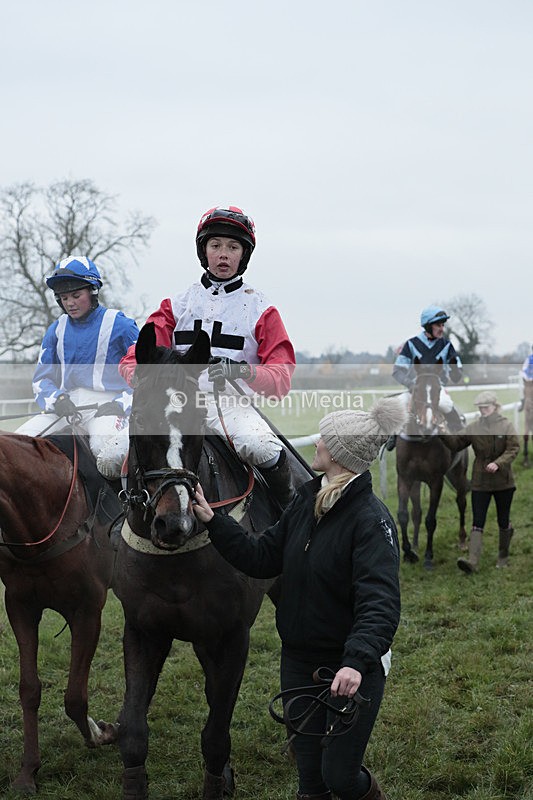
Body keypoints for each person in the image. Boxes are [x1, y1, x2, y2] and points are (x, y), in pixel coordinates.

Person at [193, 397, 406, 800]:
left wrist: (356, 663)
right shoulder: (305, 502)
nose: (318, 443)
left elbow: (380, 604)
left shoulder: (370, 521)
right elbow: (261, 557)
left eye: (326, 438)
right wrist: (213, 521)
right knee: (310, 778)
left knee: (340, 776)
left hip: (350, 668)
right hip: (299, 661)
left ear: (342, 454)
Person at [119, 205, 296, 507]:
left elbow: (281, 379)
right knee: (112, 457)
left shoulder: (262, 309)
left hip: (232, 407)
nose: (223, 254)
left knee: (263, 448)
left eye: (232, 246)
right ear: (204, 251)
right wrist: (145, 380)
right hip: (176, 405)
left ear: (244, 255)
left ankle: (289, 520)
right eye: (215, 246)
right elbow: (132, 360)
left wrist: (241, 371)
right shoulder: (176, 305)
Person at [16, 256, 139, 479]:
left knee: (109, 457)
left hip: (108, 407)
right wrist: (58, 400)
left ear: (93, 292)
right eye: (64, 298)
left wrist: (120, 404)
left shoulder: (121, 325)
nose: (70, 303)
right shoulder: (55, 330)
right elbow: (41, 380)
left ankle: (126, 510)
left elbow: (144, 376)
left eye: (76, 295)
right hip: (67, 405)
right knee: (17, 445)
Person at [440, 390, 520, 573]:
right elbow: (456, 443)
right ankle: (473, 561)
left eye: (486, 407)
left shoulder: (506, 425)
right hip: (480, 481)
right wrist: (442, 432)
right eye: (480, 408)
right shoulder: (474, 427)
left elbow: (514, 448)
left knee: (503, 519)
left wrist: (498, 463)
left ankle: (503, 556)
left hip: (504, 482)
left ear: (495, 406)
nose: (483, 411)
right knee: (477, 521)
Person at [391, 305, 464, 433]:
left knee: (445, 404)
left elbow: (456, 376)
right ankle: (392, 437)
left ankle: (458, 432)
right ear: (428, 326)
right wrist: (410, 384)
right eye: (438, 325)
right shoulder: (412, 344)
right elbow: (397, 371)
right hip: (416, 388)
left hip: (436, 389)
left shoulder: (446, 345)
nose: (442, 329)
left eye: (443, 325)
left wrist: (455, 369)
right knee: (399, 403)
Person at [518, 344, 533, 411]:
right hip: (529, 380)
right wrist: (527, 377)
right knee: (522, 388)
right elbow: (524, 368)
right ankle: (523, 401)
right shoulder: (529, 358)